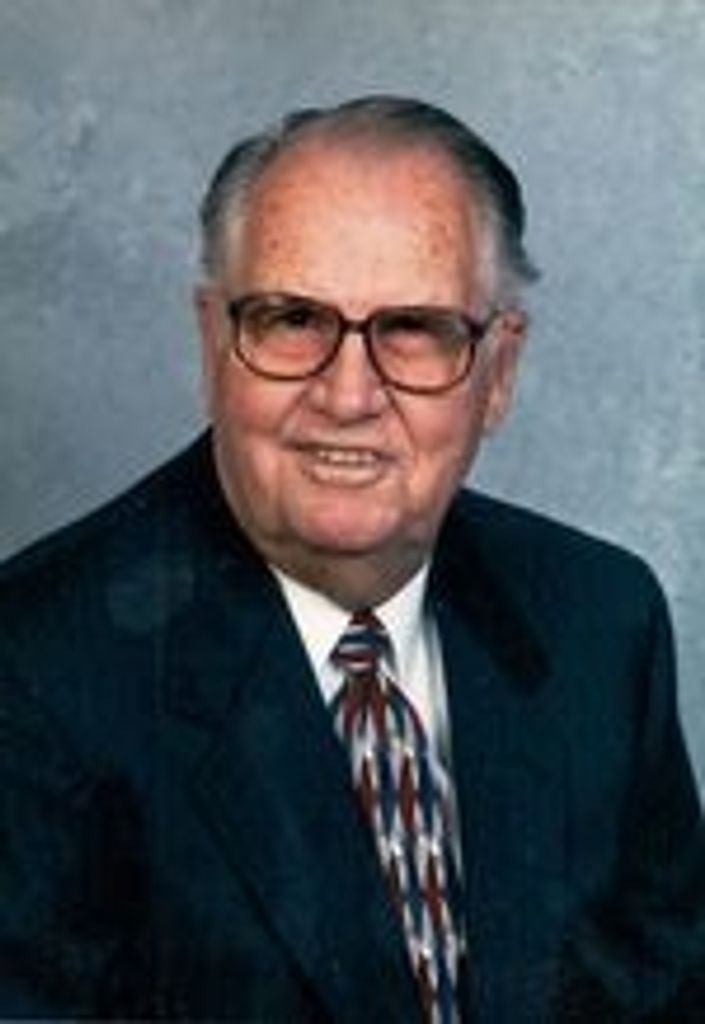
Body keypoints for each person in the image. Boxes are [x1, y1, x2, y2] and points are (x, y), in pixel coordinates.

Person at [0, 95, 702, 1023]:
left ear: (498, 372)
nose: (347, 394)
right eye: (293, 318)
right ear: (213, 342)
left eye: (413, 327)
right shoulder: (34, 674)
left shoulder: (599, 621)